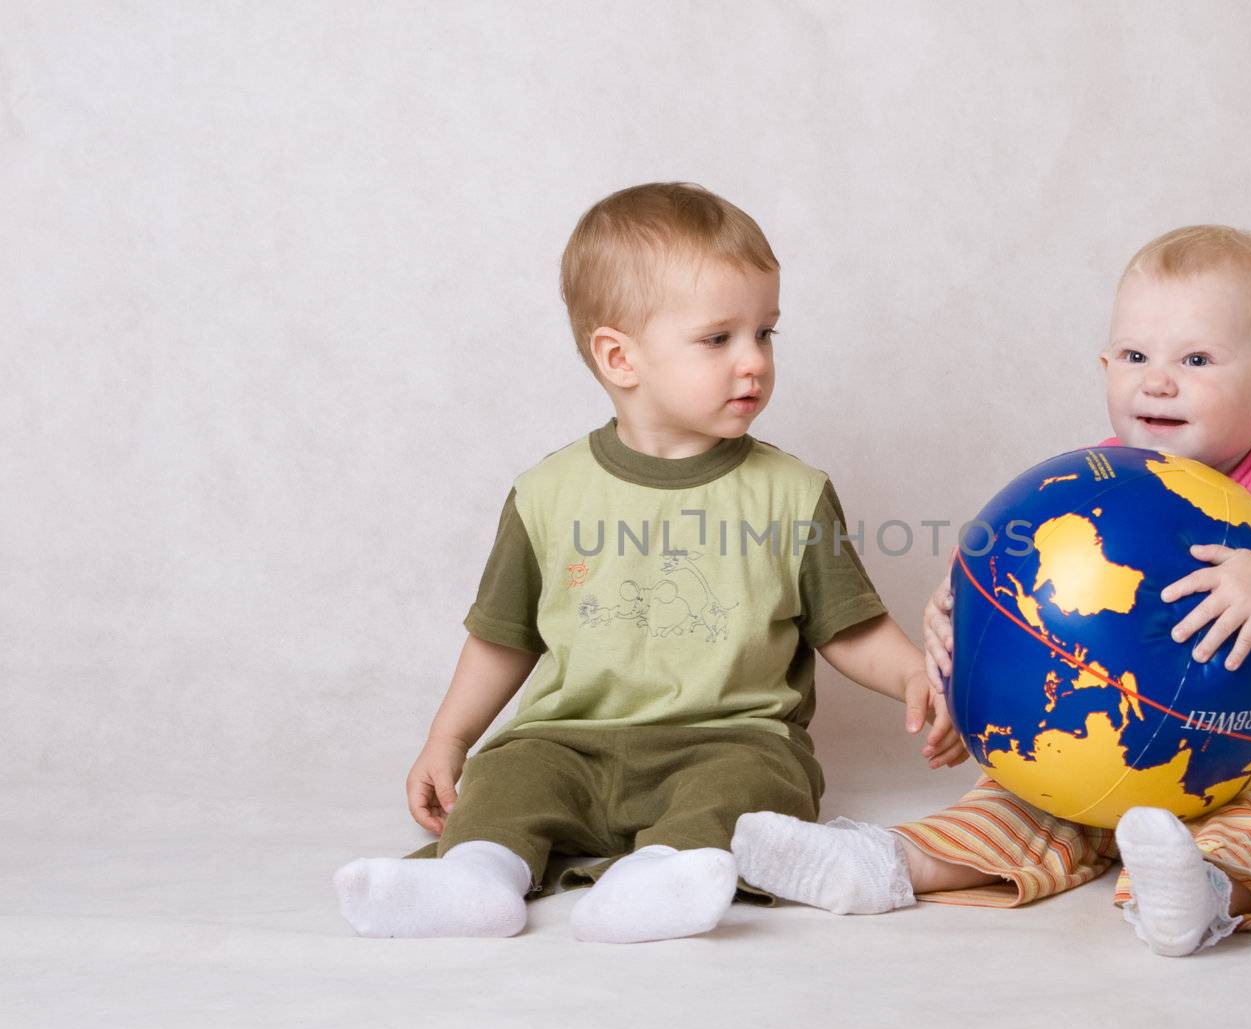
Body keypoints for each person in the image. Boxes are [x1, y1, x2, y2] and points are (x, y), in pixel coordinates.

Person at [733, 225, 1251, 957]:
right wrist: (948, 630)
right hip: (1098, 731)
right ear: (1107, 363)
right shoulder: (1090, 482)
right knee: (1019, 800)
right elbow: (990, 579)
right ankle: (883, 864)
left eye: (1196, 359)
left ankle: (1198, 892)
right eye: (1135, 356)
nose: (1157, 380)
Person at [334, 182, 962, 942]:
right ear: (619, 356)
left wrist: (912, 677)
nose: (753, 361)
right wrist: (449, 739)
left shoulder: (794, 494)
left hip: (729, 735)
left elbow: (848, 628)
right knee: (509, 776)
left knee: (755, 789)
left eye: (765, 333)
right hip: (571, 736)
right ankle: (476, 876)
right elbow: (504, 636)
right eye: (718, 338)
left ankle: (664, 873)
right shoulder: (546, 494)